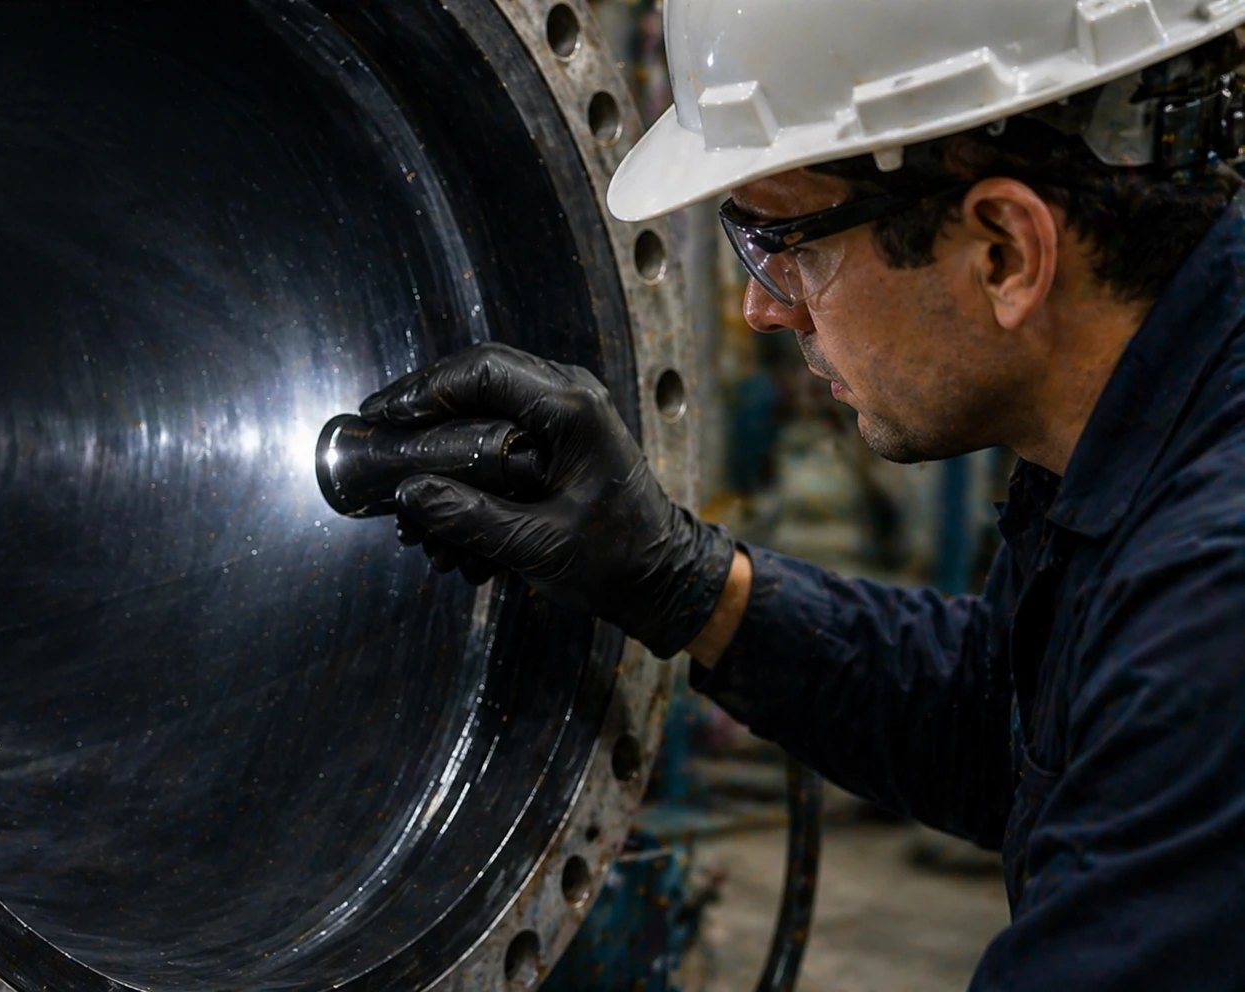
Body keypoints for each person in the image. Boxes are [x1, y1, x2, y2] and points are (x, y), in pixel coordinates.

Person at [358, 3, 1245, 988]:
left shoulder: (1211, 609)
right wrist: (679, 577)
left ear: (1002, 251)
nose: (762, 306)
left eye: (785, 242)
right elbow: (1002, 725)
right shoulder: (1141, 426)